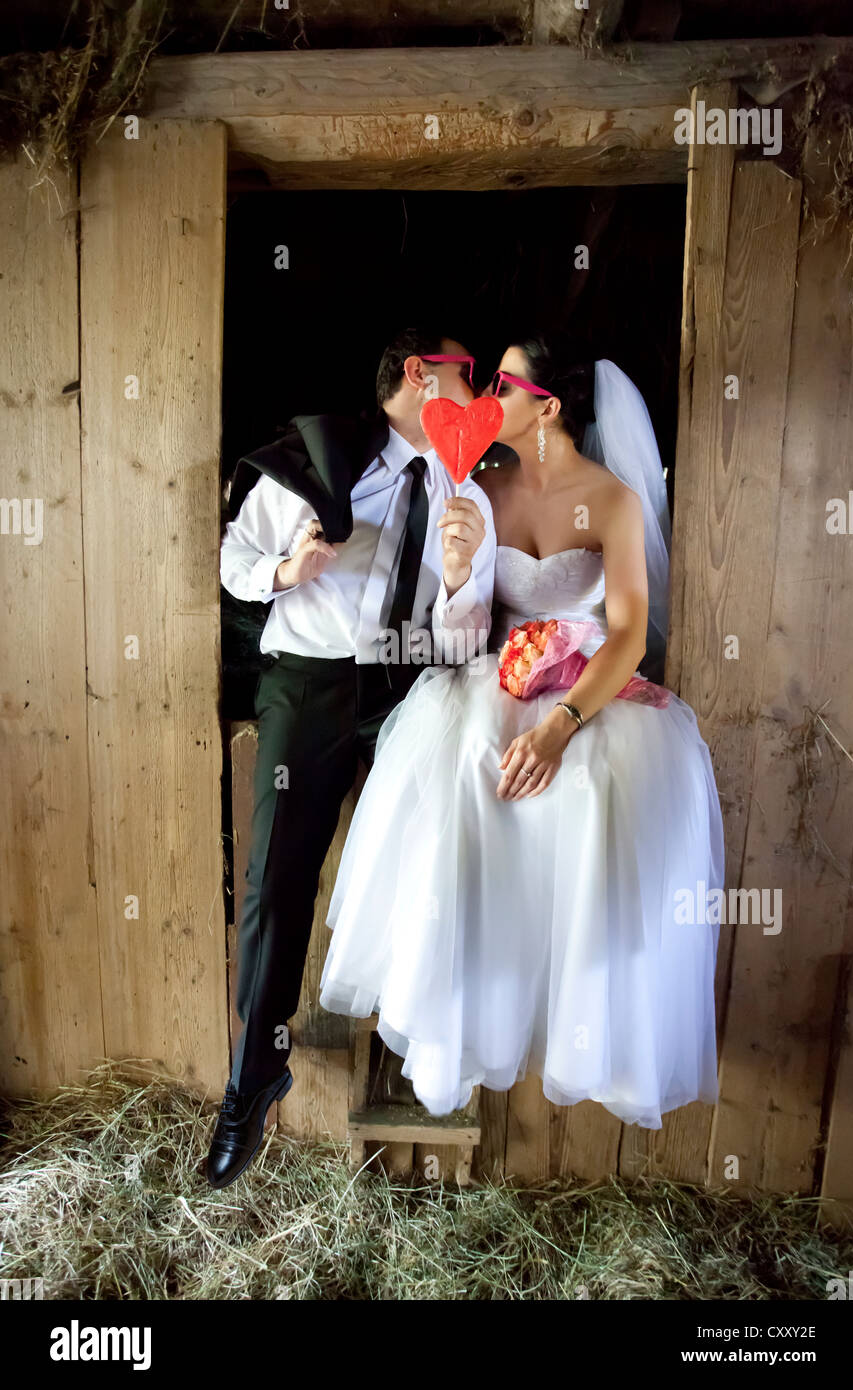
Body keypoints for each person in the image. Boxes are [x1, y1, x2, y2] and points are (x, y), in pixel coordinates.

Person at [319, 332, 725, 1128]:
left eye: (501, 386)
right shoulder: (482, 488)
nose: (483, 400)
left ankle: (584, 1036)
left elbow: (631, 636)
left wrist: (562, 728)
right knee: (467, 774)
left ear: (550, 404)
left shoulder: (614, 500)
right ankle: (458, 1029)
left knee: (595, 795)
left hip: (589, 693)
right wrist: (465, 571)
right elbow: (464, 635)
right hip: (493, 677)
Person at [209, 327, 497, 1187]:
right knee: (276, 877)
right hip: (311, 684)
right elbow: (232, 561)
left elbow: (469, 634)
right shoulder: (312, 461)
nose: (476, 392)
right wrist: (289, 572)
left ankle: (431, 1058)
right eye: (465, 375)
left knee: (445, 857)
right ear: (419, 373)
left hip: (412, 687)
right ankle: (252, 1079)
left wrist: (456, 575)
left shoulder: (468, 486)